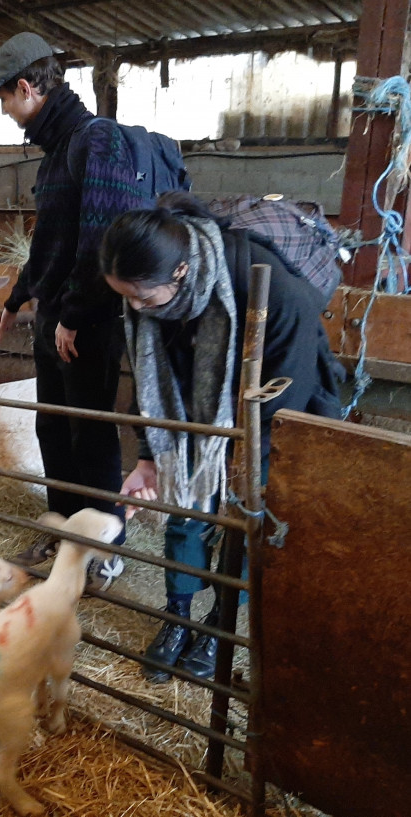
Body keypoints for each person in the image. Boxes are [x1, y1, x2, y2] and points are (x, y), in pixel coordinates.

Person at [100, 191, 342, 682]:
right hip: (199, 409)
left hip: (273, 412)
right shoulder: (154, 306)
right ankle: (178, 617)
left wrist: (238, 467)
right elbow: (157, 383)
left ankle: (220, 625)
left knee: (244, 519)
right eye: (124, 295)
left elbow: (286, 395)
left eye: (141, 297)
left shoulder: (276, 295)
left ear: (182, 272)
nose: (134, 308)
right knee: (187, 513)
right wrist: (150, 458)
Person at [0, 32, 148, 588]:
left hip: (90, 322)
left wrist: (73, 315)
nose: (6, 111)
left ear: (27, 88)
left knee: (91, 431)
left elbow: (102, 240)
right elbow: (49, 243)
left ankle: (104, 547)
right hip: (56, 318)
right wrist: (17, 297)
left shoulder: (95, 140)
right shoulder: (56, 153)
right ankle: (65, 529)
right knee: (53, 427)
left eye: (5, 99)